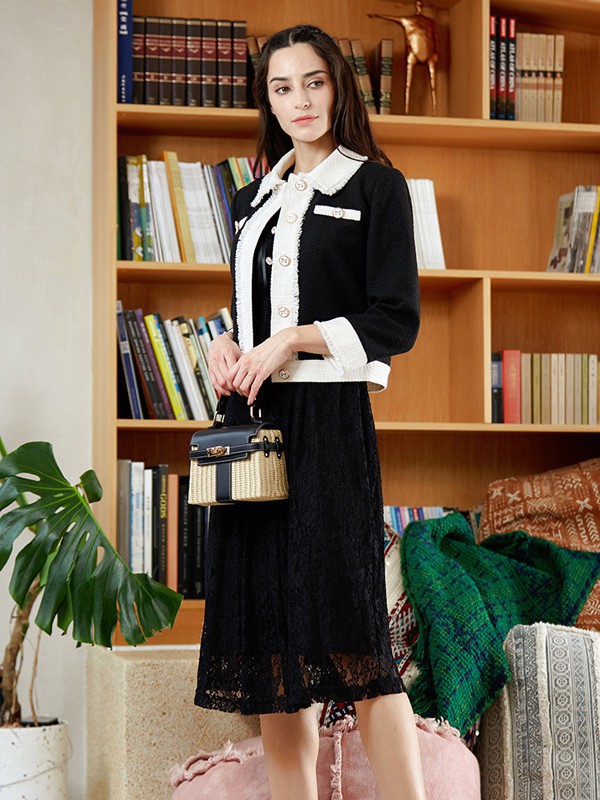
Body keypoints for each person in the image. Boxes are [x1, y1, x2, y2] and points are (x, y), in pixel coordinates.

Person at [194, 22, 426, 800]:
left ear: (338, 88)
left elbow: (396, 319)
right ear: (267, 100)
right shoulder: (249, 199)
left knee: (357, 640)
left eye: (314, 82)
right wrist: (225, 343)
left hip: (329, 426)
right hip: (253, 425)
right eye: (282, 87)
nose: (300, 100)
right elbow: (248, 312)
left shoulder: (377, 188)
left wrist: (293, 339)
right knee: (269, 649)